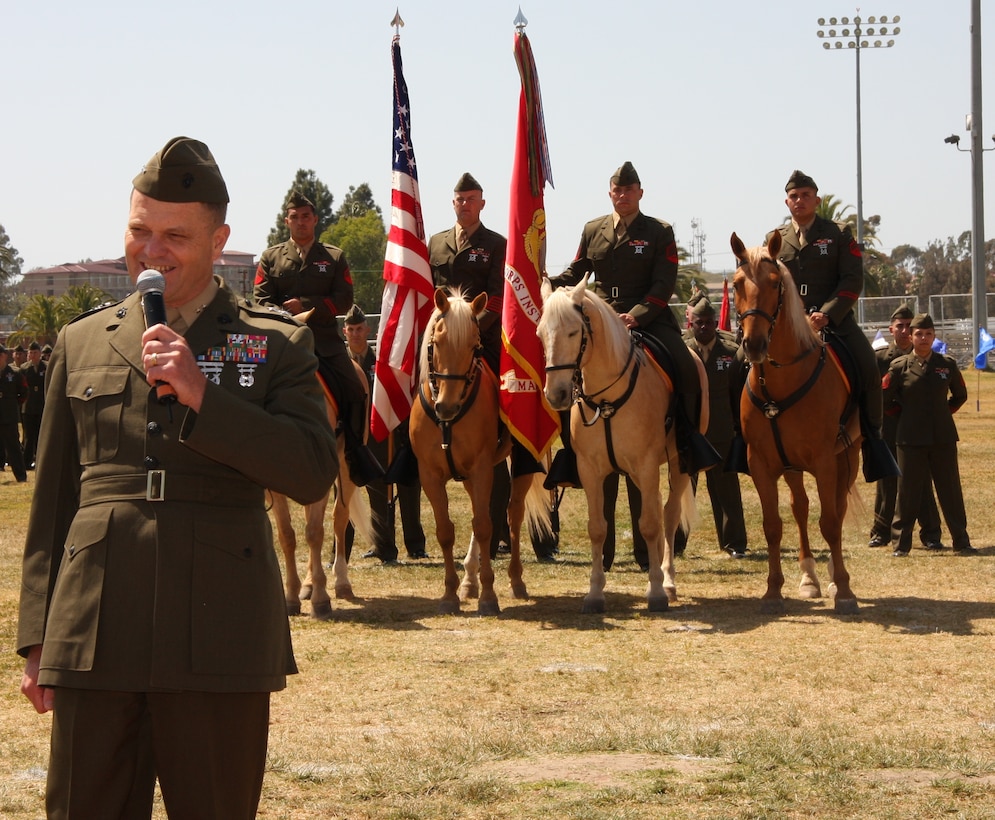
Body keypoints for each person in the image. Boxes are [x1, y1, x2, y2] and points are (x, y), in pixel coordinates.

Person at [17, 136, 338, 819]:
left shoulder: (273, 341)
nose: (151, 251)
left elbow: (310, 471)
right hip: (94, 626)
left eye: (174, 235)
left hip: (218, 629)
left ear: (219, 239)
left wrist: (204, 396)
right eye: (139, 230)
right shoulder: (80, 342)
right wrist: (39, 634)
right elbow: (53, 501)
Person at [554, 161, 720, 571]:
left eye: (629, 189)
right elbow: (579, 271)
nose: (622, 195)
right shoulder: (593, 229)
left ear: (640, 193)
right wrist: (552, 279)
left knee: (684, 366)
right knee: (566, 376)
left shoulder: (658, 231)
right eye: (616, 189)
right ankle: (569, 451)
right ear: (609, 193)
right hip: (599, 323)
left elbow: (665, 283)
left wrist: (639, 315)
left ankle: (686, 437)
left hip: (648, 322)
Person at [428, 172, 558, 562]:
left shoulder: (497, 245)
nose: (464, 204)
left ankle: (523, 447)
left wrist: (467, 328)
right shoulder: (434, 244)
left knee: (516, 399)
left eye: (471, 198)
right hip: (440, 348)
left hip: (484, 342)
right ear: (452, 203)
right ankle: (405, 451)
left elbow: (503, 299)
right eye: (459, 198)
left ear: (482, 203)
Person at [767, 170, 896, 482]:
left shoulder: (838, 233)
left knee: (868, 366)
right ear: (787, 202)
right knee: (745, 365)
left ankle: (874, 439)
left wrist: (827, 313)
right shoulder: (775, 238)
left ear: (817, 200)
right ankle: (743, 438)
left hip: (835, 323)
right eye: (794, 196)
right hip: (789, 327)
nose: (799, 201)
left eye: (805, 195)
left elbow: (852, 279)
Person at [254, 191, 382, 487]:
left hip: (324, 341)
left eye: (306, 217)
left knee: (353, 387)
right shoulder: (270, 257)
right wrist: (284, 313)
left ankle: (354, 450)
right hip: (283, 341)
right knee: (249, 385)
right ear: (287, 221)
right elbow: (259, 299)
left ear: (315, 220)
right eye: (294, 217)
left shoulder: (334, 257)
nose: (300, 222)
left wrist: (308, 306)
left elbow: (344, 299)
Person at [882, 313, 976, 556]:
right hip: (910, 439)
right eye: (919, 334)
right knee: (907, 492)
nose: (924, 338)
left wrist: (943, 414)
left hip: (942, 437)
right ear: (911, 337)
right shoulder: (899, 367)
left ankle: (961, 541)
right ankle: (901, 544)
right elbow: (883, 399)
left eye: (929, 334)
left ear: (934, 336)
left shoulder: (947, 364)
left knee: (950, 490)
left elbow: (960, 395)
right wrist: (902, 416)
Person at [343, 304, 427, 563]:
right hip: (355, 437)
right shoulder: (342, 364)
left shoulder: (380, 362)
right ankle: (382, 544)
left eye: (360, 329)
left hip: (386, 433)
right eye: (351, 330)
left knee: (408, 488)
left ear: (367, 329)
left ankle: (415, 545)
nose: (356, 334)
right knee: (376, 492)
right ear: (344, 332)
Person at [675, 298, 749, 558]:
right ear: (690, 323)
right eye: (699, 323)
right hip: (691, 433)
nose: (704, 327)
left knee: (727, 491)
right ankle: (675, 545)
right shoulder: (682, 352)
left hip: (722, 432)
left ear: (716, 323)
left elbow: (741, 391)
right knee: (682, 491)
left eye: (709, 323)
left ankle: (734, 544)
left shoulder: (731, 351)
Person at [868, 305, 943, 550]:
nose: (904, 330)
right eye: (899, 326)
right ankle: (881, 532)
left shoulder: (924, 359)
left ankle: (931, 533)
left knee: (921, 481)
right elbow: (872, 394)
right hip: (887, 429)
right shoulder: (878, 359)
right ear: (891, 330)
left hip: (916, 430)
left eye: (908, 326)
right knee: (887, 481)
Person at [0, 345, 28, 482]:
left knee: (14, 447)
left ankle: (21, 475)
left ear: (4, 356)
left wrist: (13, 405)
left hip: (9, 416)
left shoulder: (15, 373)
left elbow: (23, 392)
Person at [19, 340, 46, 470]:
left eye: (35, 352)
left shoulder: (46, 367)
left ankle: (41, 461)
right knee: (28, 436)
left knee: (42, 436)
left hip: (42, 406)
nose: (33, 355)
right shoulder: (24, 369)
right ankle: (27, 462)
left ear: (40, 353)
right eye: (31, 353)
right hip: (28, 407)